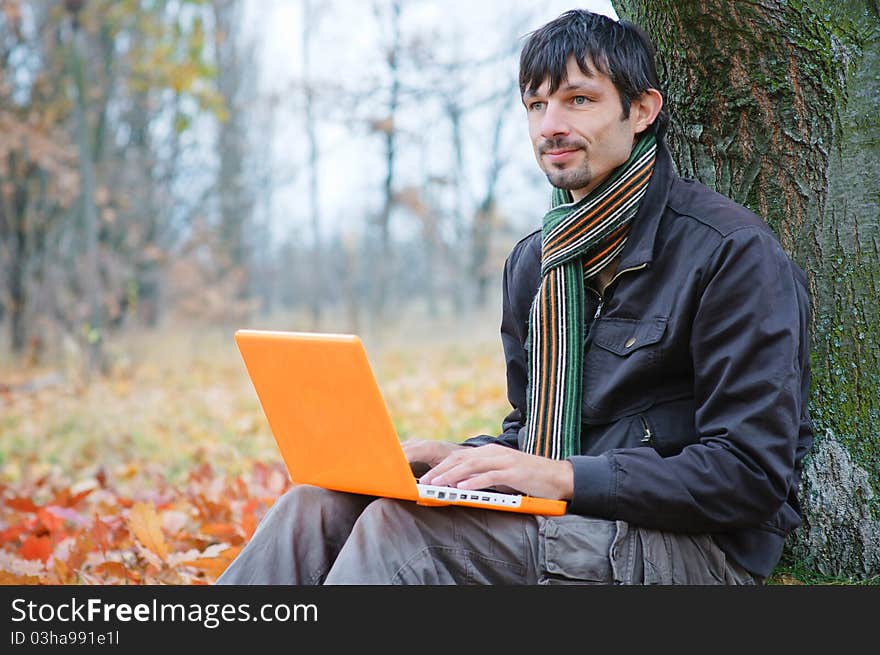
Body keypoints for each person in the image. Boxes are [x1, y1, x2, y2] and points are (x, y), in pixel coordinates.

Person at [216, 9, 812, 585]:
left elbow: (748, 474)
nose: (551, 124)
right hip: (574, 520)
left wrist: (563, 477)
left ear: (642, 110)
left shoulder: (731, 253)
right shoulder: (537, 262)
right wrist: (454, 459)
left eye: (579, 100)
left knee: (406, 531)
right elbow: (534, 430)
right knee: (317, 505)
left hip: (693, 552)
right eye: (536, 104)